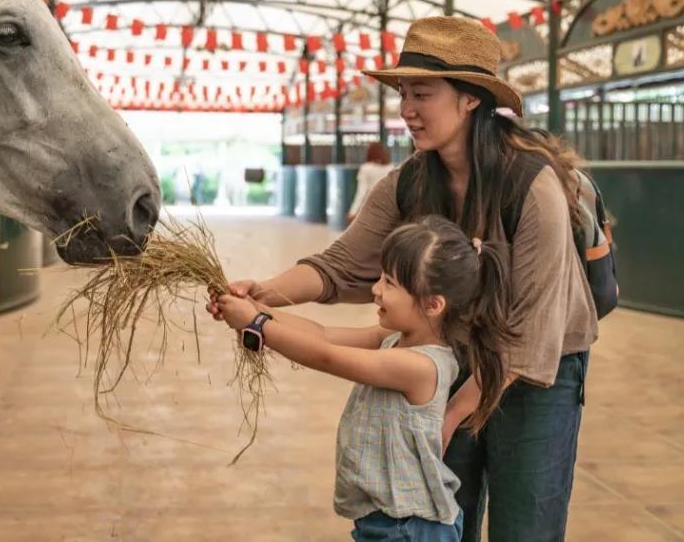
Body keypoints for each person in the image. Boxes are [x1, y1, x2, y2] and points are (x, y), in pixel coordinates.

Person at [208, 16, 597, 542]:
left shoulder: (532, 186)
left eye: (423, 94)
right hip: (457, 354)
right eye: (403, 94)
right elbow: (339, 265)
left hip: (535, 371)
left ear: (470, 99)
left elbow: (530, 335)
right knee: (442, 516)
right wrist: (261, 293)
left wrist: (453, 414)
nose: (407, 110)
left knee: (524, 525)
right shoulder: (410, 180)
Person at [212, 216, 516, 542]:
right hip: (386, 520)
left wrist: (258, 325)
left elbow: (325, 356)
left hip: (411, 528)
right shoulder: (394, 337)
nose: (376, 289)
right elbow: (323, 334)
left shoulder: (421, 366)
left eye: (389, 283)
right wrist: (255, 308)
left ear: (433, 304)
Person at [347, 142, 395, 223]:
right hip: (388, 209)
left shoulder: (366, 168)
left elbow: (361, 192)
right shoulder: (391, 168)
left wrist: (353, 211)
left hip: (370, 208)